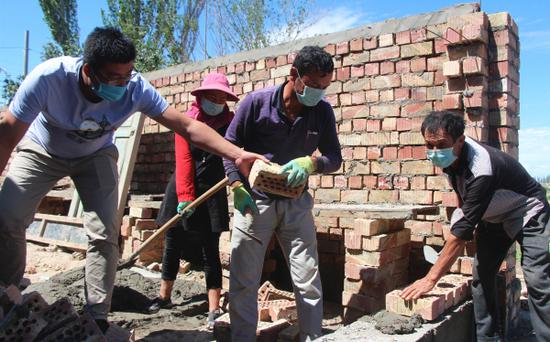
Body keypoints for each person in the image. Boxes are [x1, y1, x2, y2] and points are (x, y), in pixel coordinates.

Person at [0, 27, 265, 333]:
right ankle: (9, 297)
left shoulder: (135, 87)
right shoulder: (49, 79)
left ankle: (97, 315)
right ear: (88, 71)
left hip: (95, 155)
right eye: (114, 78)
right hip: (43, 150)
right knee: (8, 216)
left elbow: (187, 127)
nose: (122, 85)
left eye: (127, 76)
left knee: (104, 231)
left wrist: (237, 154)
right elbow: (8, 131)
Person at [223, 45, 342, 341]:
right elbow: (228, 147)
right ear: (294, 75)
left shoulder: (322, 112)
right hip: (255, 202)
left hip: (295, 203)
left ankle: (312, 336)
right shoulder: (256, 103)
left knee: (307, 278)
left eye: (325, 87)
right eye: (313, 85)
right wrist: (237, 187)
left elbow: (334, 158)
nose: (318, 92)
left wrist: (311, 162)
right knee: (245, 280)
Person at [400, 111, 550, 341]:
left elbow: (459, 235)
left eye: (441, 145)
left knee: (537, 279)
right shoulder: (451, 156)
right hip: (496, 214)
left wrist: (430, 279)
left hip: (528, 211)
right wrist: (463, 223)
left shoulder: (481, 168)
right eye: (428, 145)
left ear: (460, 140)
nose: (434, 152)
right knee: (482, 274)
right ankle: (488, 338)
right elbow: (464, 200)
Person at [146, 73, 237, 329]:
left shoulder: (231, 124)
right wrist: (185, 197)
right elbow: (184, 160)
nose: (217, 101)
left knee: (210, 248)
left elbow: (234, 155)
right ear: (201, 97)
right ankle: (164, 296)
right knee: (173, 242)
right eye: (212, 97)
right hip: (182, 189)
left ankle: (213, 306)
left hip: (212, 190)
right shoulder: (187, 121)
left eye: (222, 97)